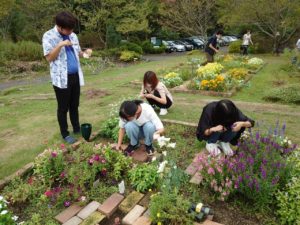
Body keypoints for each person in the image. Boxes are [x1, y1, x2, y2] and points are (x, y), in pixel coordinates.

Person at [42, 11, 92, 144]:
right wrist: (60, 45)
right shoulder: (49, 36)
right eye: (68, 30)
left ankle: (76, 128)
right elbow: (49, 58)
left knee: (74, 105)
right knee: (63, 107)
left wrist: (85, 53)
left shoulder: (73, 35)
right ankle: (65, 133)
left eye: (72, 29)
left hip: (75, 76)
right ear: (59, 26)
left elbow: (78, 52)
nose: (71, 32)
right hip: (61, 79)